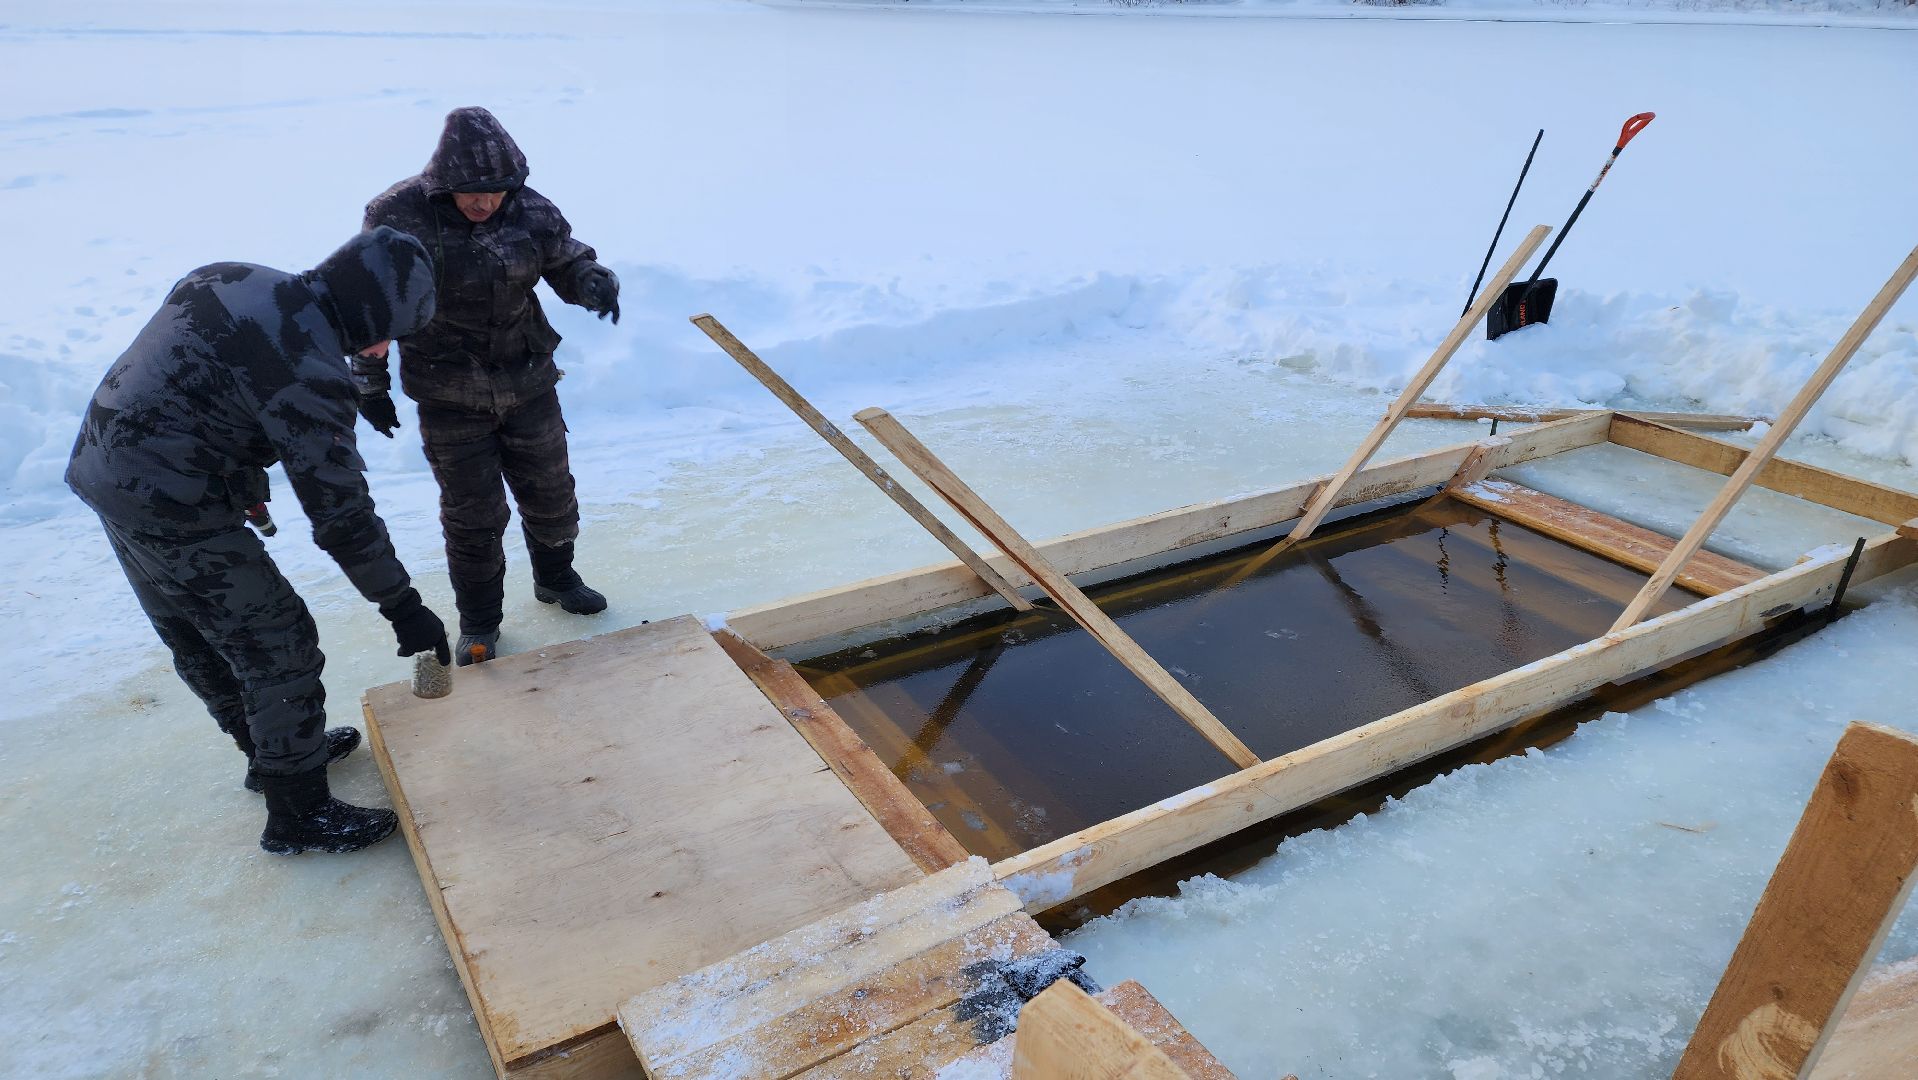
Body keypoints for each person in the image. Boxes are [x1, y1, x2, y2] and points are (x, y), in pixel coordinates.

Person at [67, 227, 452, 857]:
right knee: (277, 643)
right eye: (390, 333)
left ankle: (269, 753)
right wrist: (400, 604)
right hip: (170, 500)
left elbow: (201, 379)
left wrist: (241, 474)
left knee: (193, 628)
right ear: (369, 313)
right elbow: (340, 514)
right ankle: (299, 815)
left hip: (106, 465)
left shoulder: (231, 276)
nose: (383, 349)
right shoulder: (310, 371)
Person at [356, 106, 620, 666]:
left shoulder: (531, 208)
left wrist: (589, 279)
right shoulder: (396, 217)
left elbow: (563, 256)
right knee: (474, 514)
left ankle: (556, 578)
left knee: (551, 492)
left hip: (527, 377)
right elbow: (369, 302)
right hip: (447, 389)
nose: (485, 203)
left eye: (497, 192)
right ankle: (479, 620)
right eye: (472, 192)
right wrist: (369, 384)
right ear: (445, 183)